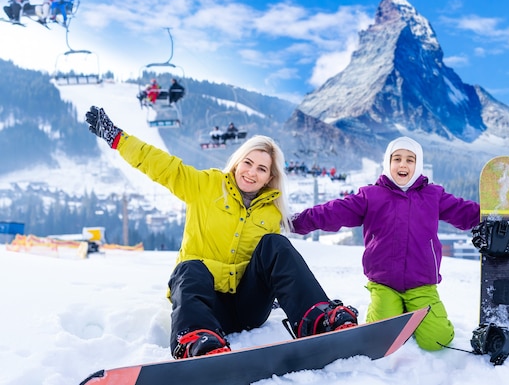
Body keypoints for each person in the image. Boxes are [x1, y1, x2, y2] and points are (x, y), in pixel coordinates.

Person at [84, 106, 358, 358]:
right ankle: (196, 340)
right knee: (188, 268)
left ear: (269, 178)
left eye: (262, 169)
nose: (252, 173)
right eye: (248, 163)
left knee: (276, 244)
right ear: (238, 162)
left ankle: (318, 319)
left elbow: (275, 267)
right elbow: (160, 165)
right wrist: (117, 138)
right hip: (206, 306)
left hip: (249, 308)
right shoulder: (205, 186)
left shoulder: (272, 212)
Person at [291, 136, 480, 351]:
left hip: (422, 285)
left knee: (437, 341)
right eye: (397, 158)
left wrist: (490, 216)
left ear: (417, 165)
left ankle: (412, 315)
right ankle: (390, 310)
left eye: (410, 160)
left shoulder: (433, 195)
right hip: (384, 284)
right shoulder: (371, 196)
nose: (403, 164)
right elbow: (333, 212)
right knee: (379, 339)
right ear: (387, 164)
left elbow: (463, 211)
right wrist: (296, 222)